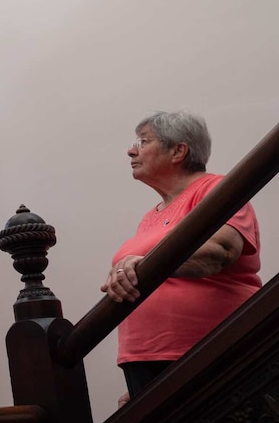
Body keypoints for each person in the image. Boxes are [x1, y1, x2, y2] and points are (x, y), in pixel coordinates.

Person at [101, 111, 261, 407]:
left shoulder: (216, 188)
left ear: (178, 150)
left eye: (143, 141)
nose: (131, 150)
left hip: (208, 352)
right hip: (145, 360)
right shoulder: (151, 216)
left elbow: (222, 251)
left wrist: (144, 262)